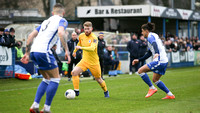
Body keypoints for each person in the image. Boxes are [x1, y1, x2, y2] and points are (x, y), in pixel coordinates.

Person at [21, 3, 71, 113]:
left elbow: (30, 36)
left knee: (47, 79)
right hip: (44, 52)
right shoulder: (62, 20)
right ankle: (47, 108)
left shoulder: (45, 22)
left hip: (34, 51)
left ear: (52, 12)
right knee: (56, 78)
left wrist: (27, 53)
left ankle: (35, 105)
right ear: (63, 13)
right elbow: (61, 33)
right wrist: (67, 50)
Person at [132, 22, 175, 99]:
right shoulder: (154, 35)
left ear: (146, 31)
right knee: (155, 79)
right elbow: (149, 53)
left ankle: (152, 88)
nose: (142, 33)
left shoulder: (150, 37)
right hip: (164, 60)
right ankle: (170, 95)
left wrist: (157, 53)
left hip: (159, 60)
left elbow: (154, 44)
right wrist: (139, 60)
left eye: (142, 31)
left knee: (140, 71)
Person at [72, 21, 109, 98]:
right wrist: (74, 51)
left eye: (88, 29)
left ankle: (106, 91)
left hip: (94, 63)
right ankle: (76, 91)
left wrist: (81, 48)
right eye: (85, 29)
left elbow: (92, 48)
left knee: (98, 79)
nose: (86, 30)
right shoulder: (81, 36)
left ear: (91, 29)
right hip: (84, 61)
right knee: (74, 72)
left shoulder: (94, 38)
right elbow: (79, 44)